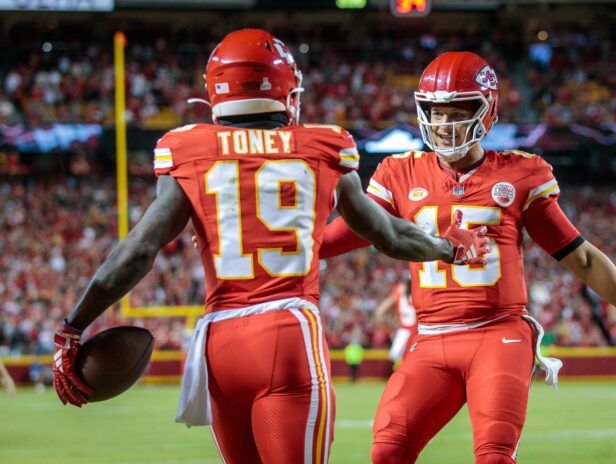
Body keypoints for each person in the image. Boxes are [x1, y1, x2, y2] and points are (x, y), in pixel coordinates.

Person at [51, 30, 491, 464]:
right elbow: (389, 235)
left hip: (221, 344)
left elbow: (138, 251)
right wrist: (447, 248)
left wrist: (72, 327)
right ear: (287, 93)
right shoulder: (323, 146)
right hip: (287, 332)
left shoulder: (187, 148)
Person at [318, 51, 616, 464]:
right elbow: (345, 234)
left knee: (493, 456)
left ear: (487, 113)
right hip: (431, 338)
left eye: (459, 112)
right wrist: (284, 245)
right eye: (436, 113)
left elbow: (582, 258)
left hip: (498, 334)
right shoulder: (400, 172)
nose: (445, 125)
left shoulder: (520, 174)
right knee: (387, 451)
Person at [373, 280, 417, 365]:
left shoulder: (400, 291)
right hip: (417, 331)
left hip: (404, 332)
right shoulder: (418, 291)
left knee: (399, 361)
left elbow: (380, 311)